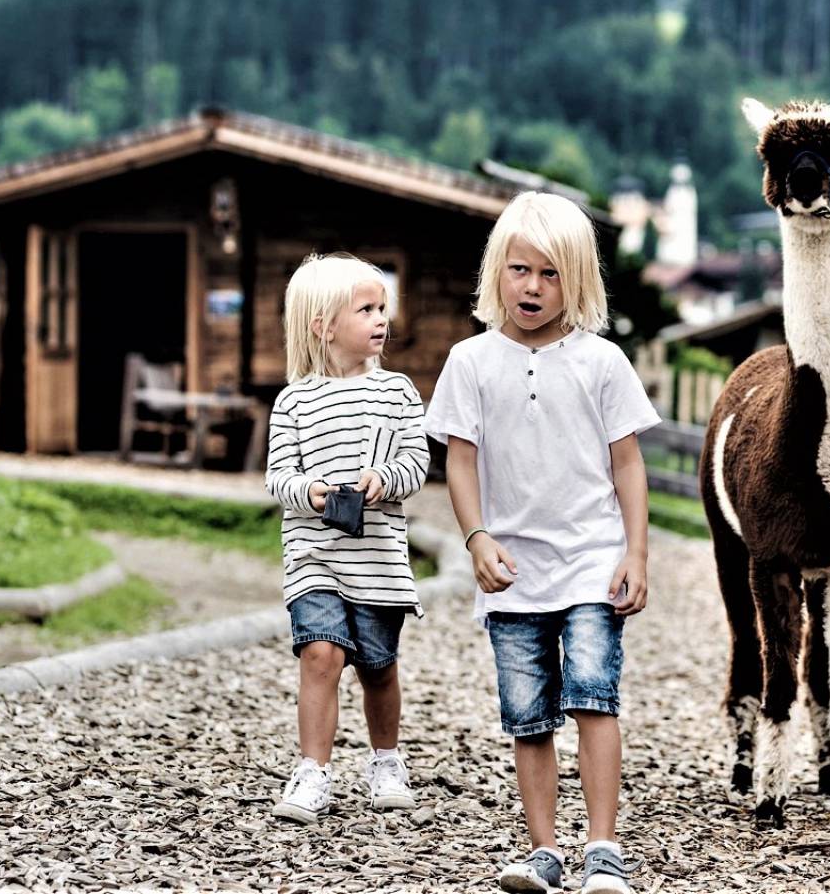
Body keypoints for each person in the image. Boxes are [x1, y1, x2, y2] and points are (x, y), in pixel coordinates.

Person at [426, 192, 659, 894]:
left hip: (591, 561)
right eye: (520, 269)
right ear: (497, 270)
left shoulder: (603, 361)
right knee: (528, 716)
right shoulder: (470, 361)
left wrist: (636, 551)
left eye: (551, 273)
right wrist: (476, 538)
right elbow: (460, 461)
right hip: (513, 570)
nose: (532, 286)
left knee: (594, 697)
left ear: (577, 278)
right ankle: (544, 851)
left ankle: (603, 849)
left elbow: (627, 464)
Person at [264, 252, 429, 823]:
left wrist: (385, 480)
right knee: (320, 654)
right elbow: (278, 476)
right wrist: (307, 492)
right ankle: (313, 770)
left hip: (378, 561)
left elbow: (417, 463)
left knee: (378, 667)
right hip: (313, 555)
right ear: (324, 326)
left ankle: (386, 760)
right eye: (366, 309)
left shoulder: (398, 393)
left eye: (383, 307)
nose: (382, 318)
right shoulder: (294, 400)